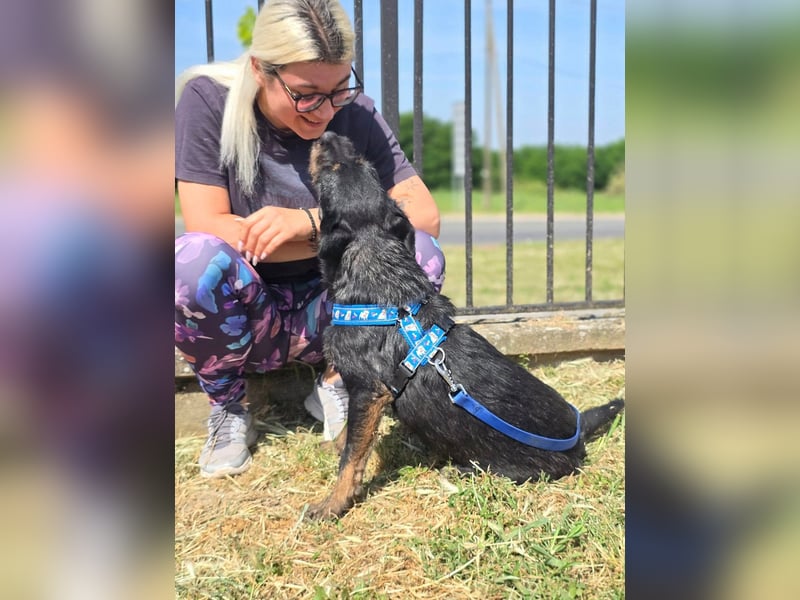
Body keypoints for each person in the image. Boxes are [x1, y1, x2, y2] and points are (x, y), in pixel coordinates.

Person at [174, 0, 445, 478]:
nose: (325, 109)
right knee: (191, 262)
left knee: (422, 253)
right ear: (259, 69)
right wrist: (352, 230)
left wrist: (311, 224)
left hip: (337, 316)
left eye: (339, 89)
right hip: (249, 319)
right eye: (305, 94)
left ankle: (342, 379)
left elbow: (423, 215)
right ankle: (230, 406)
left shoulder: (356, 113)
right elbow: (207, 226)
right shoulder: (208, 100)